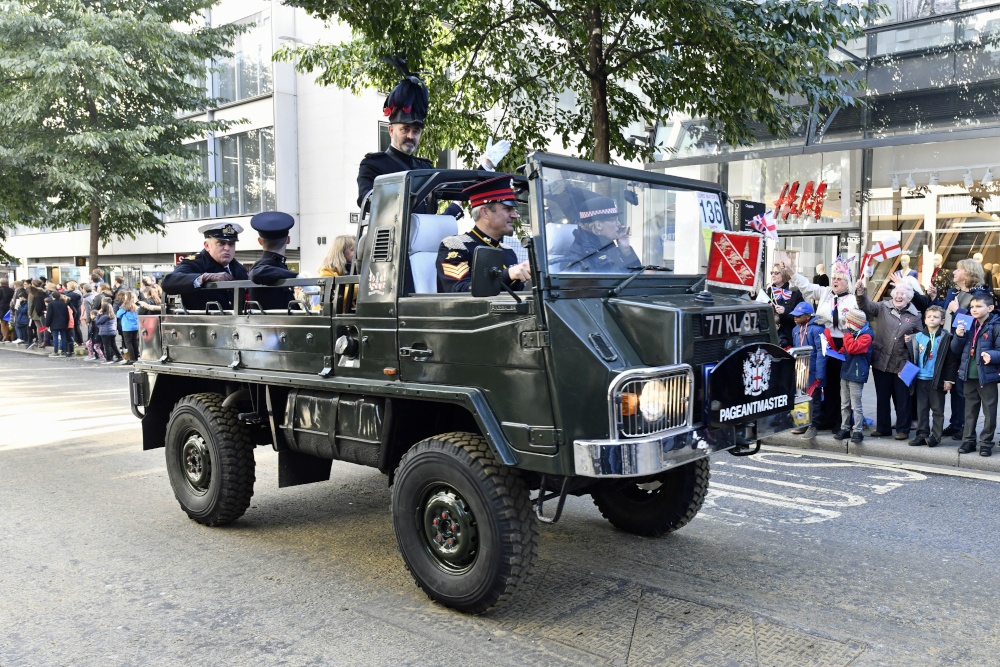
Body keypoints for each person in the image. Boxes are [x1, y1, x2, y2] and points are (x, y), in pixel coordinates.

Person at [788, 258, 858, 432]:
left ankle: (839, 421)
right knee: (822, 382)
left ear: (847, 283)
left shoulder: (852, 299)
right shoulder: (826, 292)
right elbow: (807, 287)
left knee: (839, 383)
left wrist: (829, 319)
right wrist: (791, 273)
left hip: (842, 342)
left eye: (839, 279)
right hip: (824, 340)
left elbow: (854, 320)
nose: (835, 281)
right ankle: (824, 418)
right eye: (833, 278)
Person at [356, 59, 435, 211]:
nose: (411, 136)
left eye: (416, 131)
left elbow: (459, 187)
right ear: (391, 130)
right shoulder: (373, 165)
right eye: (405, 129)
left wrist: (486, 165)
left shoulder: (426, 167)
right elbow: (366, 200)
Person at [855, 277, 923, 440]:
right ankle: (883, 428)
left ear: (909, 298)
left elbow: (921, 336)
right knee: (882, 396)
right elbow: (866, 306)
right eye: (897, 293)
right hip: (881, 359)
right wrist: (860, 292)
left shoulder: (916, 315)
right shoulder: (883, 307)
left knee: (903, 397)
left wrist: (912, 338)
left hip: (904, 363)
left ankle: (902, 429)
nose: (899, 296)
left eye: (903, 294)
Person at [436, 176, 531, 292]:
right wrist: (507, 275)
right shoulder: (455, 247)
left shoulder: (508, 252)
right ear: (485, 212)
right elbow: (459, 291)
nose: (515, 215)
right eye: (507, 209)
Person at [936, 258, 991, 440]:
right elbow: (944, 316)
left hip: (968, 347)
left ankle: (966, 428)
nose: (953, 273)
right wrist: (933, 299)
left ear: (967, 273)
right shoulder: (954, 292)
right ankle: (956, 423)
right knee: (952, 385)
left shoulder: (979, 295)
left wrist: (958, 310)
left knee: (963, 390)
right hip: (951, 345)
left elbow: (975, 323)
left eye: (957, 269)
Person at [951, 293, 1000, 456]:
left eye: (978, 306)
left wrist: (991, 355)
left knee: (989, 411)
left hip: (987, 376)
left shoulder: (996, 325)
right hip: (968, 375)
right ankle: (968, 441)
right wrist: (958, 336)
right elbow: (955, 350)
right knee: (969, 411)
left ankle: (986, 443)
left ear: (990, 308)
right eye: (972, 307)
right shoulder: (966, 323)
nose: (974, 309)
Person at [161, 222, 249, 311]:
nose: (227, 248)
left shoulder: (239, 269)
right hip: (202, 323)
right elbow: (168, 282)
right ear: (207, 246)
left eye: (231, 244)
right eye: (221, 243)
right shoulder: (195, 263)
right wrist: (205, 277)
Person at [907, 305, 958, 448]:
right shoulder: (916, 337)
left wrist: (948, 380)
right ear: (924, 320)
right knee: (921, 409)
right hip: (920, 379)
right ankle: (921, 434)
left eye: (935, 317)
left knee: (937, 409)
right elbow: (910, 357)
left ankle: (936, 436)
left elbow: (951, 361)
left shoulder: (946, 337)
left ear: (942, 321)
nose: (932, 319)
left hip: (937, 380)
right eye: (929, 317)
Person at [560, 194, 641, 274]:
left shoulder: (608, 248)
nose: (619, 224)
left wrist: (626, 251)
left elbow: (637, 279)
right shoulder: (576, 259)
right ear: (599, 225)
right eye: (614, 220)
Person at [826, 308, 873, 443]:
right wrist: (835, 351)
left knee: (855, 405)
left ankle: (858, 431)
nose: (845, 324)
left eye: (847, 321)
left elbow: (852, 348)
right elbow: (845, 349)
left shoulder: (866, 336)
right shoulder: (852, 333)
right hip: (846, 372)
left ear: (854, 323)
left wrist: (846, 334)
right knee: (844, 403)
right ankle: (845, 428)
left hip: (857, 374)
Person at [789, 302, 826, 440]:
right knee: (800, 397)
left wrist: (820, 373)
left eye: (799, 316)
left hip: (813, 370)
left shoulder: (817, 330)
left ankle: (813, 425)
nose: (795, 318)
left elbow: (822, 352)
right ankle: (802, 422)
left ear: (808, 316)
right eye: (794, 315)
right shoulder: (795, 330)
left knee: (814, 399)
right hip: (800, 368)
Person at [248, 211, 297, 311]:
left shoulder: (278, 266)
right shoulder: (263, 266)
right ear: (288, 240)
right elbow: (256, 273)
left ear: (260, 241)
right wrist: (297, 276)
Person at [762, 263, 803, 348]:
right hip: (772, 336)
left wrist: (786, 311)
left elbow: (801, 316)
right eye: (772, 272)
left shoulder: (794, 292)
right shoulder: (769, 291)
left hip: (789, 337)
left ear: (784, 274)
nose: (773, 275)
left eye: (776, 273)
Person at [43, 291, 71, 357]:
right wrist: (67, 323)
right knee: (63, 337)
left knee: (55, 337)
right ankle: (64, 351)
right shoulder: (64, 304)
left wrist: (47, 324)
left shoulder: (51, 304)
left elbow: (49, 315)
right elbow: (67, 315)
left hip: (54, 323)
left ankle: (56, 351)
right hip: (63, 323)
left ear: (52, 296)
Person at [117, 291, 140, 365]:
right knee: (135, 342)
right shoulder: (136, 306)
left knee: (128, 343)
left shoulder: (125, 307)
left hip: (127, 327)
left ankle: (132, 359)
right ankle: (136, 357)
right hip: (135, 326)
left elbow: (118, 315)